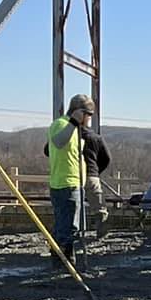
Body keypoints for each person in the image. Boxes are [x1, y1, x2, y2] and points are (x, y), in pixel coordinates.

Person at [45, 94, 94, 260]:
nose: (89, 119)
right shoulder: (61, 124)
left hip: (75, 183)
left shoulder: (75, 130)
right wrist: (74, 121)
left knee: (70, 225)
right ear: (79, 112)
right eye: (89, 115)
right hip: (65, 184)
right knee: (68, 227)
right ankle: (63, 260)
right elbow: (58, 142)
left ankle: (63, 257)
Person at [80, 121, 112, 233]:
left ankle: (72, 232)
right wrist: (97, 171)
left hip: (71, 175)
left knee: (70, 206)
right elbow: (107, 158)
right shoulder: (96, 138)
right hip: (91, 174)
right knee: (99, 208)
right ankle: (101, 230)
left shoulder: (69, 137)